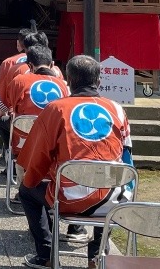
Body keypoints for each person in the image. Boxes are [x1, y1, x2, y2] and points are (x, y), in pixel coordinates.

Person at [17, 55, 133, 269]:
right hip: (113, 201)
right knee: (112, 185)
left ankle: (46, 255)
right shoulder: (117, 109)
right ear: (99, 81)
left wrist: (30, 180)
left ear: (68, 81)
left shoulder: (56, 109)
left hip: (68, 198)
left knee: (26, 191)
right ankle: (96, 258)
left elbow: (36, 158)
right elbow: (127, 155)